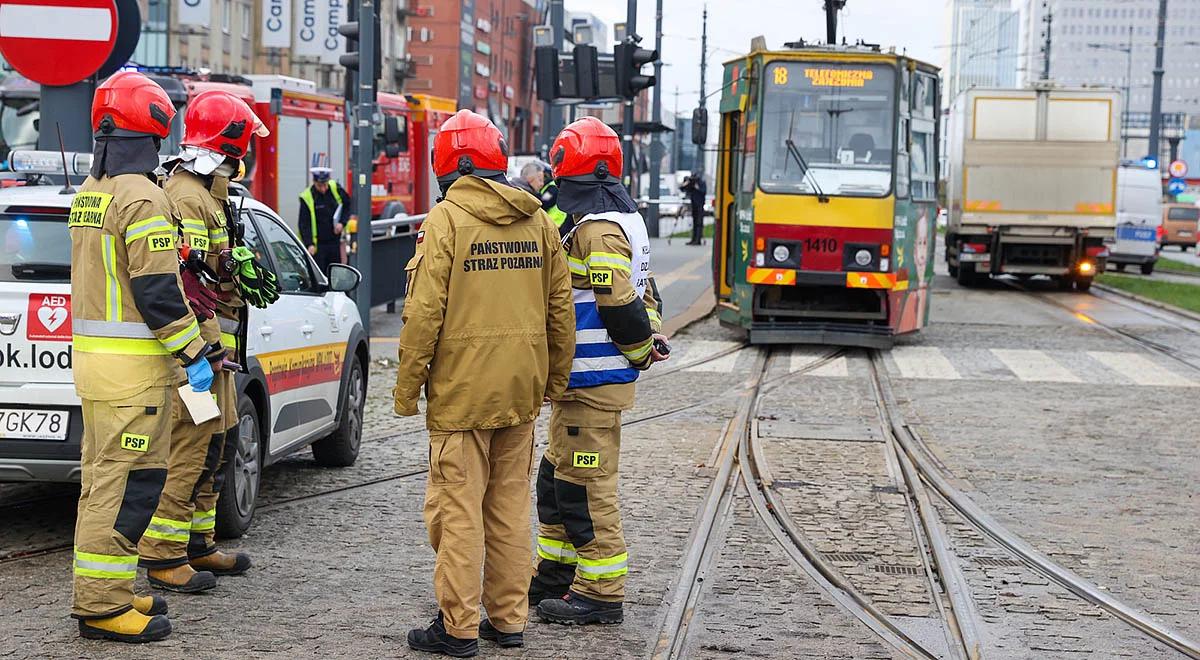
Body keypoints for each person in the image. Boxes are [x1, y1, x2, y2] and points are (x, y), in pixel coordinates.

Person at [394, 109, 574, 657]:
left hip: (461, 396)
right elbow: (559, 309)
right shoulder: (539, 220)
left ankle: (458, 627)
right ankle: (509, 619)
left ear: (448, 164)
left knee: (457, 513)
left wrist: (406, 391)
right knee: (509, 510)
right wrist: (555, 381)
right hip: (520, 391)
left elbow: (423, 314)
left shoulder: (445, 222)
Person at [68, 71, 212, 643]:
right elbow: (157, 294)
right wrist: (196, 352)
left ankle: (113, 588)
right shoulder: (144, 197)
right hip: (134, 374)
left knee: (102, 481)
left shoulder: (91, 193)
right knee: (125, 487)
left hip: (97, 368)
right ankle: (103, 605)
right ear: (154, 126)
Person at [530, 117, 669, 625]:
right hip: (581, 381)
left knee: (585, 488)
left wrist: (637, 351)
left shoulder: (597, 228)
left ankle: (601, 591)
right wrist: (647, 340)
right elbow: (646, 294)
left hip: (594, 379)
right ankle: (556, 575)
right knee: (555, 480)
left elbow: (617, 299)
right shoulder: (621, 219)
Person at [140, 91, 273, 593]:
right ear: (230, 144)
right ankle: (164, 555)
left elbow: (214, 266)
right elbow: (188, 279)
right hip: (196, 350)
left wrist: (239, 267)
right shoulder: (188, 195)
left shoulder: (209, 193)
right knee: (191, 446)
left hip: (216, 351)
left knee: (216, 443)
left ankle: (198, 544)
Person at [298, 167, 355, 275]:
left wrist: (342, 223)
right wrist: (309, 243)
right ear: (314, 182)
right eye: (320, 186)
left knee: (335, 275)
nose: (323, 188)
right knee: (320, 277)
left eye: (325, 185)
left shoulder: (335, 188)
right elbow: (304, 224)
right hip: (318, 246)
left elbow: (347, 205)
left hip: (335, 242)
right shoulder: (307, 197)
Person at [519, 160, 567, 231]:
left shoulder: (553, 188)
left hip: (552, 226)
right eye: (540, 180)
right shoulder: (550, 186)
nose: (541, 183)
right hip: (550, 226)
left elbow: (543, 204)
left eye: (542, 179)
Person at [681, 171, 707, 245]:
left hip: (700, 205)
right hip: (694, 205)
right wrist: (686, 183)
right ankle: (693, 239)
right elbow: (683, 189)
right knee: (695, 223)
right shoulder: (691, 184)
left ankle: (698, 240)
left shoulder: (702, 183)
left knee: (699, 223)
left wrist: (697, 187)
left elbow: (703, 191)